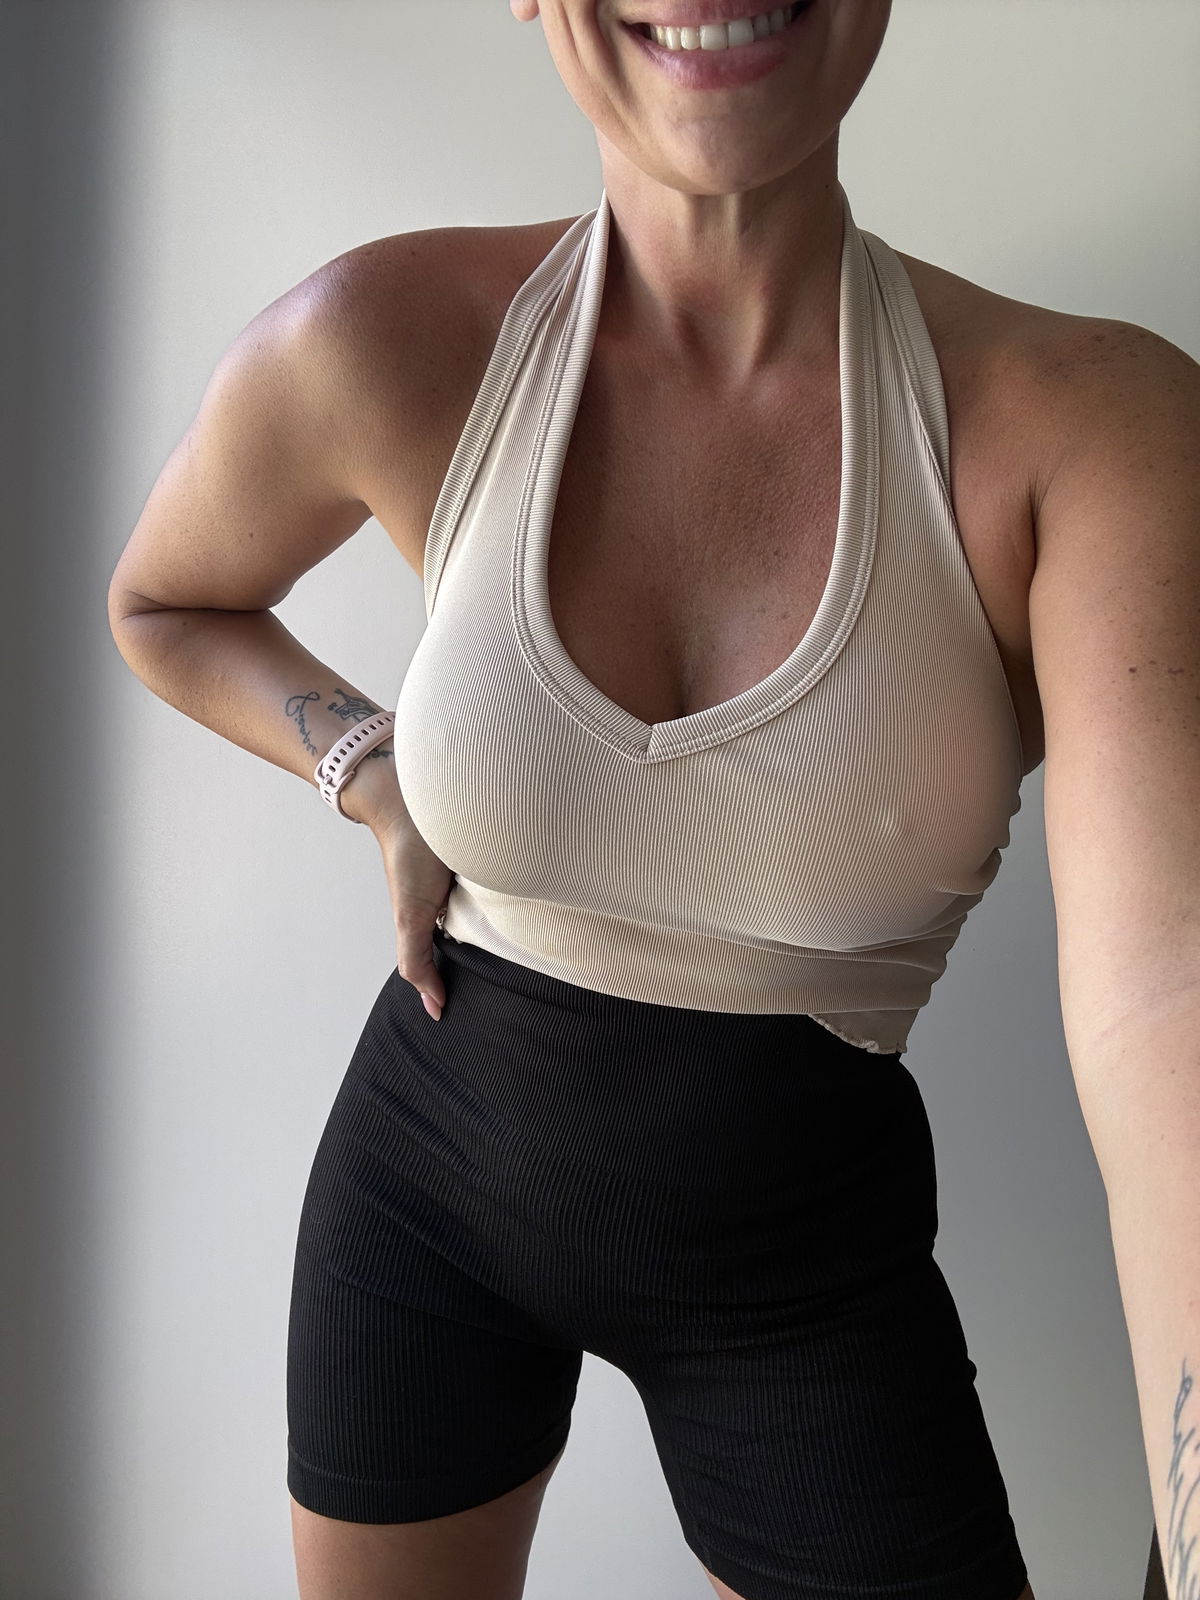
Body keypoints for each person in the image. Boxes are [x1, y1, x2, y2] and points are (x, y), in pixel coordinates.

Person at [105, 3, 1200, 1599]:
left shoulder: (1095, 431)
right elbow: (165, 605)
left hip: (802, 1288)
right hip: (419, 1208)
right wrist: (371, 770)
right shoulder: (388, 338)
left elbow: (1170, 1006)